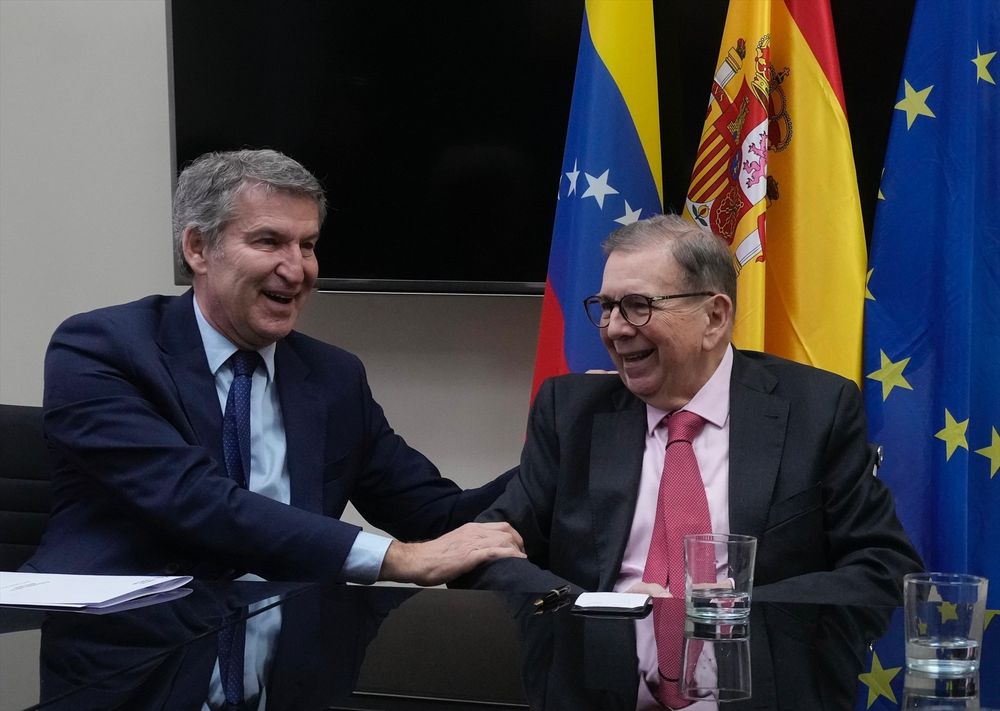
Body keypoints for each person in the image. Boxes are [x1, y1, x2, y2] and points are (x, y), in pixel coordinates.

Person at [23, 148, 523, 585]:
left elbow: (440, 517)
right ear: (198, 248)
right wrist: (392, 559)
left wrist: (571, 435)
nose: (297, 268)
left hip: (281, 646)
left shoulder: (332, 376)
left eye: (307, 245)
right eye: (269, 242)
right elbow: (192, 500)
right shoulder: (101, 348)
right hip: (124, 652)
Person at [462, 214, 922, 604]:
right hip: (601, 681)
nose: (616, 329)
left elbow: (883, 567)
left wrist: (732, 607)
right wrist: (593, 607)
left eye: (638, 306)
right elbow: (481, 552)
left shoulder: (816, 409)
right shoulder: (569, 412)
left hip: (753, 681)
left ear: (715, 318)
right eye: (606, 307)